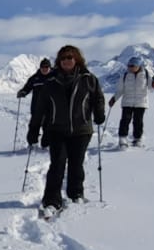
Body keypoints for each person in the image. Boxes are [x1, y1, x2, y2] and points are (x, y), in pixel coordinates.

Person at [40, 44, 105, 213]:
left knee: (76, 164)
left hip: (81, 129)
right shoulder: (51, 81)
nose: (66, 61)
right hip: (57, 130)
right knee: (57, 164)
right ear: (59, 61)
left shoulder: (88, 78)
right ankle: (52, 200)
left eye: (70, 57)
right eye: (63, 58)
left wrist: (99, 114)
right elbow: (42, 108)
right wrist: (37, 130)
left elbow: (98, 97)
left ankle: (76, 193)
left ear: (76, 59)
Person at [112, 56, 154, 146]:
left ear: (138, 66)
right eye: (129, 65)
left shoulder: (146, 74)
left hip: (141, 102)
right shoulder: (125, 75)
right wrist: (114, 99)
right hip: (127, 102)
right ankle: (122, 138)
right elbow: (120, 90)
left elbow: (151, 87)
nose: (130, 67)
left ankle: (138, 139)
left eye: (132, 66)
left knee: (138, 121)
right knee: (125, 120)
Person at [16, 58, 54, 149]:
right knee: (34, 126)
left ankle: (46, 145)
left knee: (49, 128)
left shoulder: (55, 77)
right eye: (42, 67)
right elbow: (27, 88)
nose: (44, 69)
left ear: (50, 67)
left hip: (51, 108)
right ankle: (32, 144)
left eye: (46, 67)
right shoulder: (35, 78)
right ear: (40, 68)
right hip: (37, 108)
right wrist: (23, 92)